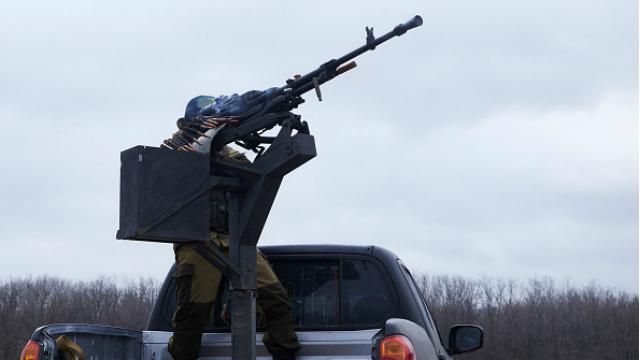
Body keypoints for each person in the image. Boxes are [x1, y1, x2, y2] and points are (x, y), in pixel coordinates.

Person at [168, 97, 300, 360]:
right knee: (193, 313)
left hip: (236, 239)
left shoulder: (231, 155)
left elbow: (254, 178)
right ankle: (181, 354)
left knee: (274, 297)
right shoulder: (178, 152)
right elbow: (171, 179)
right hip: (197, 241)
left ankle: (284, 350)